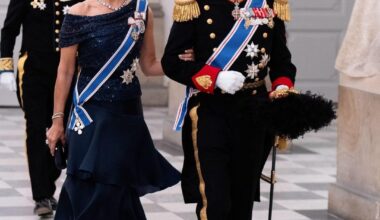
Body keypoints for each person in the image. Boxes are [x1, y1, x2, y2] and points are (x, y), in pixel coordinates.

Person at [46, 0, 193, 219]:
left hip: (126, 113)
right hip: (90, 113)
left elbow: (149, 65)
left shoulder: (142, 11)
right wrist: (57, 121)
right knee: (88, 185)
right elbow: (65, 72)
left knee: (117, 186)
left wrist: (181, 61)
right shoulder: (78, 12)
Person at [162, 0, 296, 219]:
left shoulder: (268, 4)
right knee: (215, 201)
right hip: (211, 112)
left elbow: (282, 62)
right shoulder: (194, 4)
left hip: (254, 114)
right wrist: (215, 79)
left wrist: (282, 87)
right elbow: (172, 61)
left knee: (242, 202)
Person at [0, 0, 80, 216]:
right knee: (36, 130)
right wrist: (5, 67)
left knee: (60, 129)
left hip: (67, 74)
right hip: (33, 73)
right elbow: (9, 30)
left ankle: (49, 182)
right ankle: (41, 195)